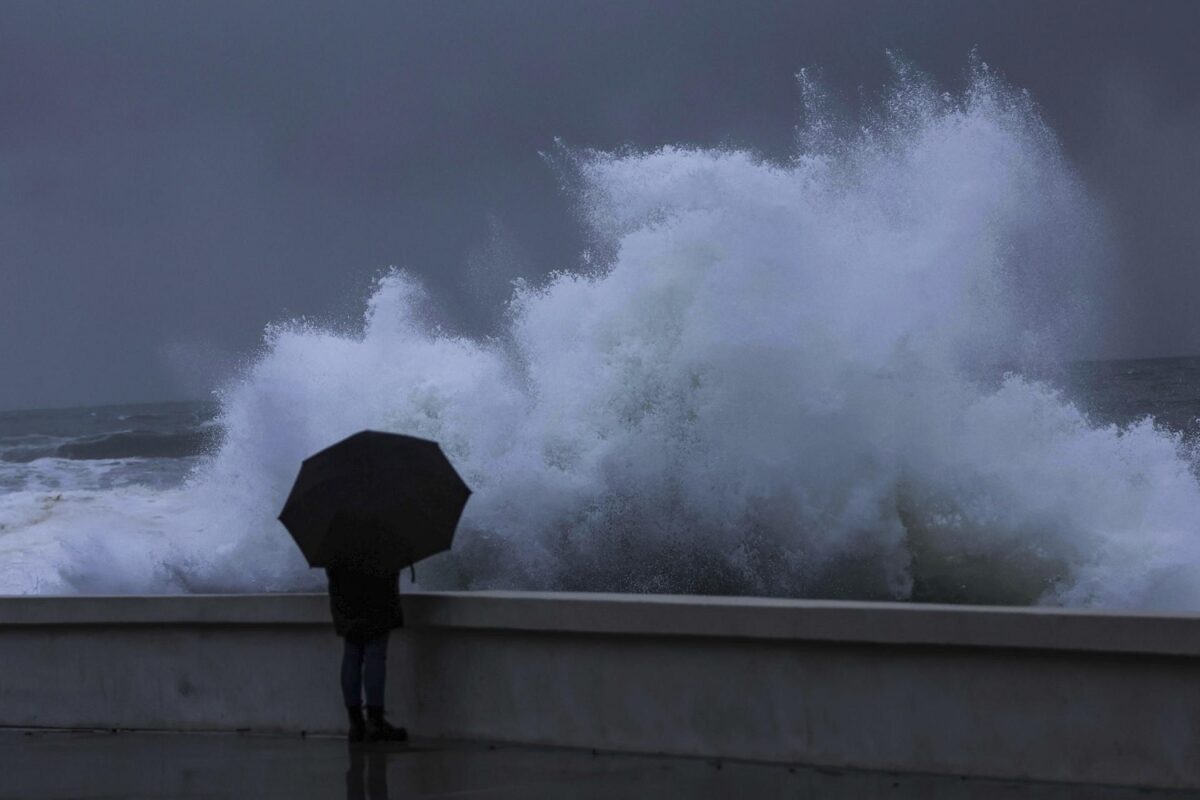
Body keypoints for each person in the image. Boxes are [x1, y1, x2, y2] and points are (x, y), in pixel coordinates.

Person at [326, 559, 408, 743]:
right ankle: (375, 722)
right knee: (375, 652)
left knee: (351, 651)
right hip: (376, 588)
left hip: (344, 588)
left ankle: (356, 724)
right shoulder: (379, 536)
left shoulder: (336, 537)